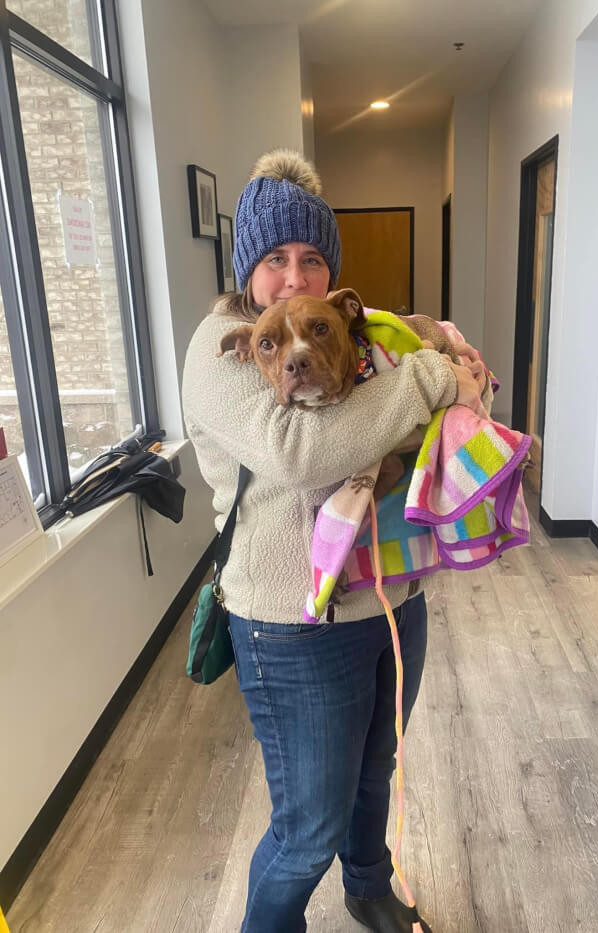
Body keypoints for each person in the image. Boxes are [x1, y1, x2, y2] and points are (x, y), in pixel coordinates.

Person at [182, 149, 490, 933]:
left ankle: (369, 886)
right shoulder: (224, 347)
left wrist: (464, 374)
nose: (294, 278)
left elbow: (422, 420)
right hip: (293, 624)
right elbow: (300, 452)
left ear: (332, 274)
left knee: (374, 773)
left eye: (312, 259)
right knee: (305, 828)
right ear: (248, 267)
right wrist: (429, 378)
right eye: (276, 259)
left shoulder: (352, 334)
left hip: (392, 600)